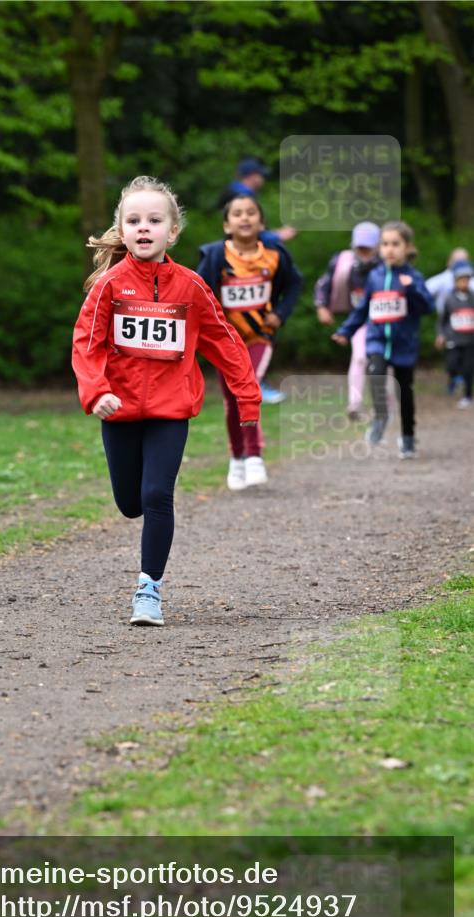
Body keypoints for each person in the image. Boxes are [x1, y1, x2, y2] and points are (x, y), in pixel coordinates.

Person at [72, 176, 261, 626]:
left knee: (157, 495)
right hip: (118, 409)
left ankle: (148, 590)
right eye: (133, 220)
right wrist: (97, 391)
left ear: (171, 232)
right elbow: (87, 344)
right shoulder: (110, 287)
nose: (144, 228)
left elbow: (225, 341)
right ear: (121, 229)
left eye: (154, 221)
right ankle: (141, 539)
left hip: (170, 410)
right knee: (130, 502)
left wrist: (247, 399)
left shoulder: (192, 287)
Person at [197, 194, 302, 489]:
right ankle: (237, 458)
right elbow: (198, 291)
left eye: (251, 213)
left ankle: (254, 455)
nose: (245, 218)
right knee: (232, 398)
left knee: (249, 385)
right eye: (238, 214)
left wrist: (279, 313)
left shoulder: (275, 254)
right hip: (225, 340)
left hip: (259, 336)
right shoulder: (216, 256)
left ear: (262, 222)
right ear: (227, 225)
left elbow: (295, 283)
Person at [332, 221, 434, 459]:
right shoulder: (375, 277)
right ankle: (381, 416)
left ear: (407, 247)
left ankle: (408, 438)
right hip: (377, 339)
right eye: (385, 244)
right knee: (375, 373)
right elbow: (362, 309)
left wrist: (413, 290)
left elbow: (427, 307)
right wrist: (346, 330)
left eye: (395, 244)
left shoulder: (413, 277)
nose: (389, 249)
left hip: (404, 344)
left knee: (405, 393)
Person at [314, 222, 382, 421]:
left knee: (382, 361)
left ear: (377, 246)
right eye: (360, 247)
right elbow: (323, 284)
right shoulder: (343, 263)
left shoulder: (386, 264)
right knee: (360, 358)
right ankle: (354, 404)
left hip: (385, 321)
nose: (363, 252)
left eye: (368, 248)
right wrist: (321, 306)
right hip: (359, 320)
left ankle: (384, 404)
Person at [426, 248, 474, 394]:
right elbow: (425, 290)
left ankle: (466, 391)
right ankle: (454, 378)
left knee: (467, 364)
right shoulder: (443, 281)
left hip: (469, 335)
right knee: (452, 362)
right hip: (451, 331)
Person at [436, 259, 474, 408]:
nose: (464, 283)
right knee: (452, 365)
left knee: (468, 369)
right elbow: (442, 320)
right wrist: (441, 335)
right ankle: (454, 379)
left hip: (470, 340)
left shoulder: (472, 298)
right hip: (454, 339)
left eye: (466, 280)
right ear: (455, 281)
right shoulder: (449, 299)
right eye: (461, 280)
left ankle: (467, 395)